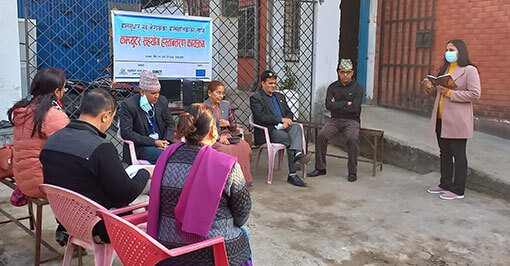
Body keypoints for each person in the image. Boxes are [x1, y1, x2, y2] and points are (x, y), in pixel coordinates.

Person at [147, 103, 252, 266]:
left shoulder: (165, 157)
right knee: (242, 234)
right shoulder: (226, 166)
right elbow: (242, 214)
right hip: (213, 254)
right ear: (212, 131)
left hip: (167, 252)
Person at [40, 89, 150, 243]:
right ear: (106, 116)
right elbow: (127, 193)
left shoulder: (52, 140)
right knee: (147, 198)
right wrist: (145, 172)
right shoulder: (101, 147)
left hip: (67, 221)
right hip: (99, 226)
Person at [423, 39, 481, 200]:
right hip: (441, 118)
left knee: (458, 154)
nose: (448, 52)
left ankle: (458, 189)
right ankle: (445, 184)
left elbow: (475, 94)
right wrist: (430, 88)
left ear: (460, 52)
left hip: (458, 120)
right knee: (444, 153)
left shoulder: (469, 70)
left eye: (452, 49)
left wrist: (450, 94)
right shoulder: (444, 69)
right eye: (446, 49)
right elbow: (438, 93)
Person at [8, 67, 69, 199]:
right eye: (64, 88)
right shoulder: (52, 115)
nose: (65, 91)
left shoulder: (23, 110)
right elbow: (70, 150)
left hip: (22, 179)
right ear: (57, 91)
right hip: (41, 185)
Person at [249, 70, 310, 187]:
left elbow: (289, 113)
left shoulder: (280, 96)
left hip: (283, 127)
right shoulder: (256, 98)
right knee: (289, 138)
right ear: (263, 83)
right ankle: (293, 174)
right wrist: (280, 121)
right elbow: (260, 117)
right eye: (270, 83)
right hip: (269, 131)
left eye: (275, 83)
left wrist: (287, 122)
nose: (273, 86)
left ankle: (297, 155)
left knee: (296, 127)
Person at [308, 59, 364, 182]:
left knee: (352, 138)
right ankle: (320, 167)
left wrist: (337, 104)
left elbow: (355, 108)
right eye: (343, 72)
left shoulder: (358, 88)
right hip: (335, 119)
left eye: (348, 72)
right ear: (338, 72)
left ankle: (352, 171)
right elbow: (328, 105)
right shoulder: (333, 87)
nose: (345, 75)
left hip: (352, 121)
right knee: (322, 135)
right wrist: (346, 103)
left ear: (352, 73)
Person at [203, 80, 253, 187]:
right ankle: (226, 183)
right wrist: (218, 136)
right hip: (210, 138)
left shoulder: (225, 105)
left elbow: (234, 127)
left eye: (222, 93)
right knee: (225, 150)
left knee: (244, 146)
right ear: (209, 93)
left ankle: (242, 181)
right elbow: (203, 129)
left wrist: (228, 123)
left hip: (227, 135)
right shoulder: (203, 107)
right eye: (218, 93)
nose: (221, 96)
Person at [120, 70, 175, 164]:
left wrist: (166, 141)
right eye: (153, 93)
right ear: (142, 92)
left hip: (162, 142)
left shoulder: (162, 101)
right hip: (142, 146)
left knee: (180, 154)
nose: (157, 96)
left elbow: (170, 123)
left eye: (158, 92)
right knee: (166, 157)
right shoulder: (129, 105)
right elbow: (126, 133)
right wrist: (153, 142)